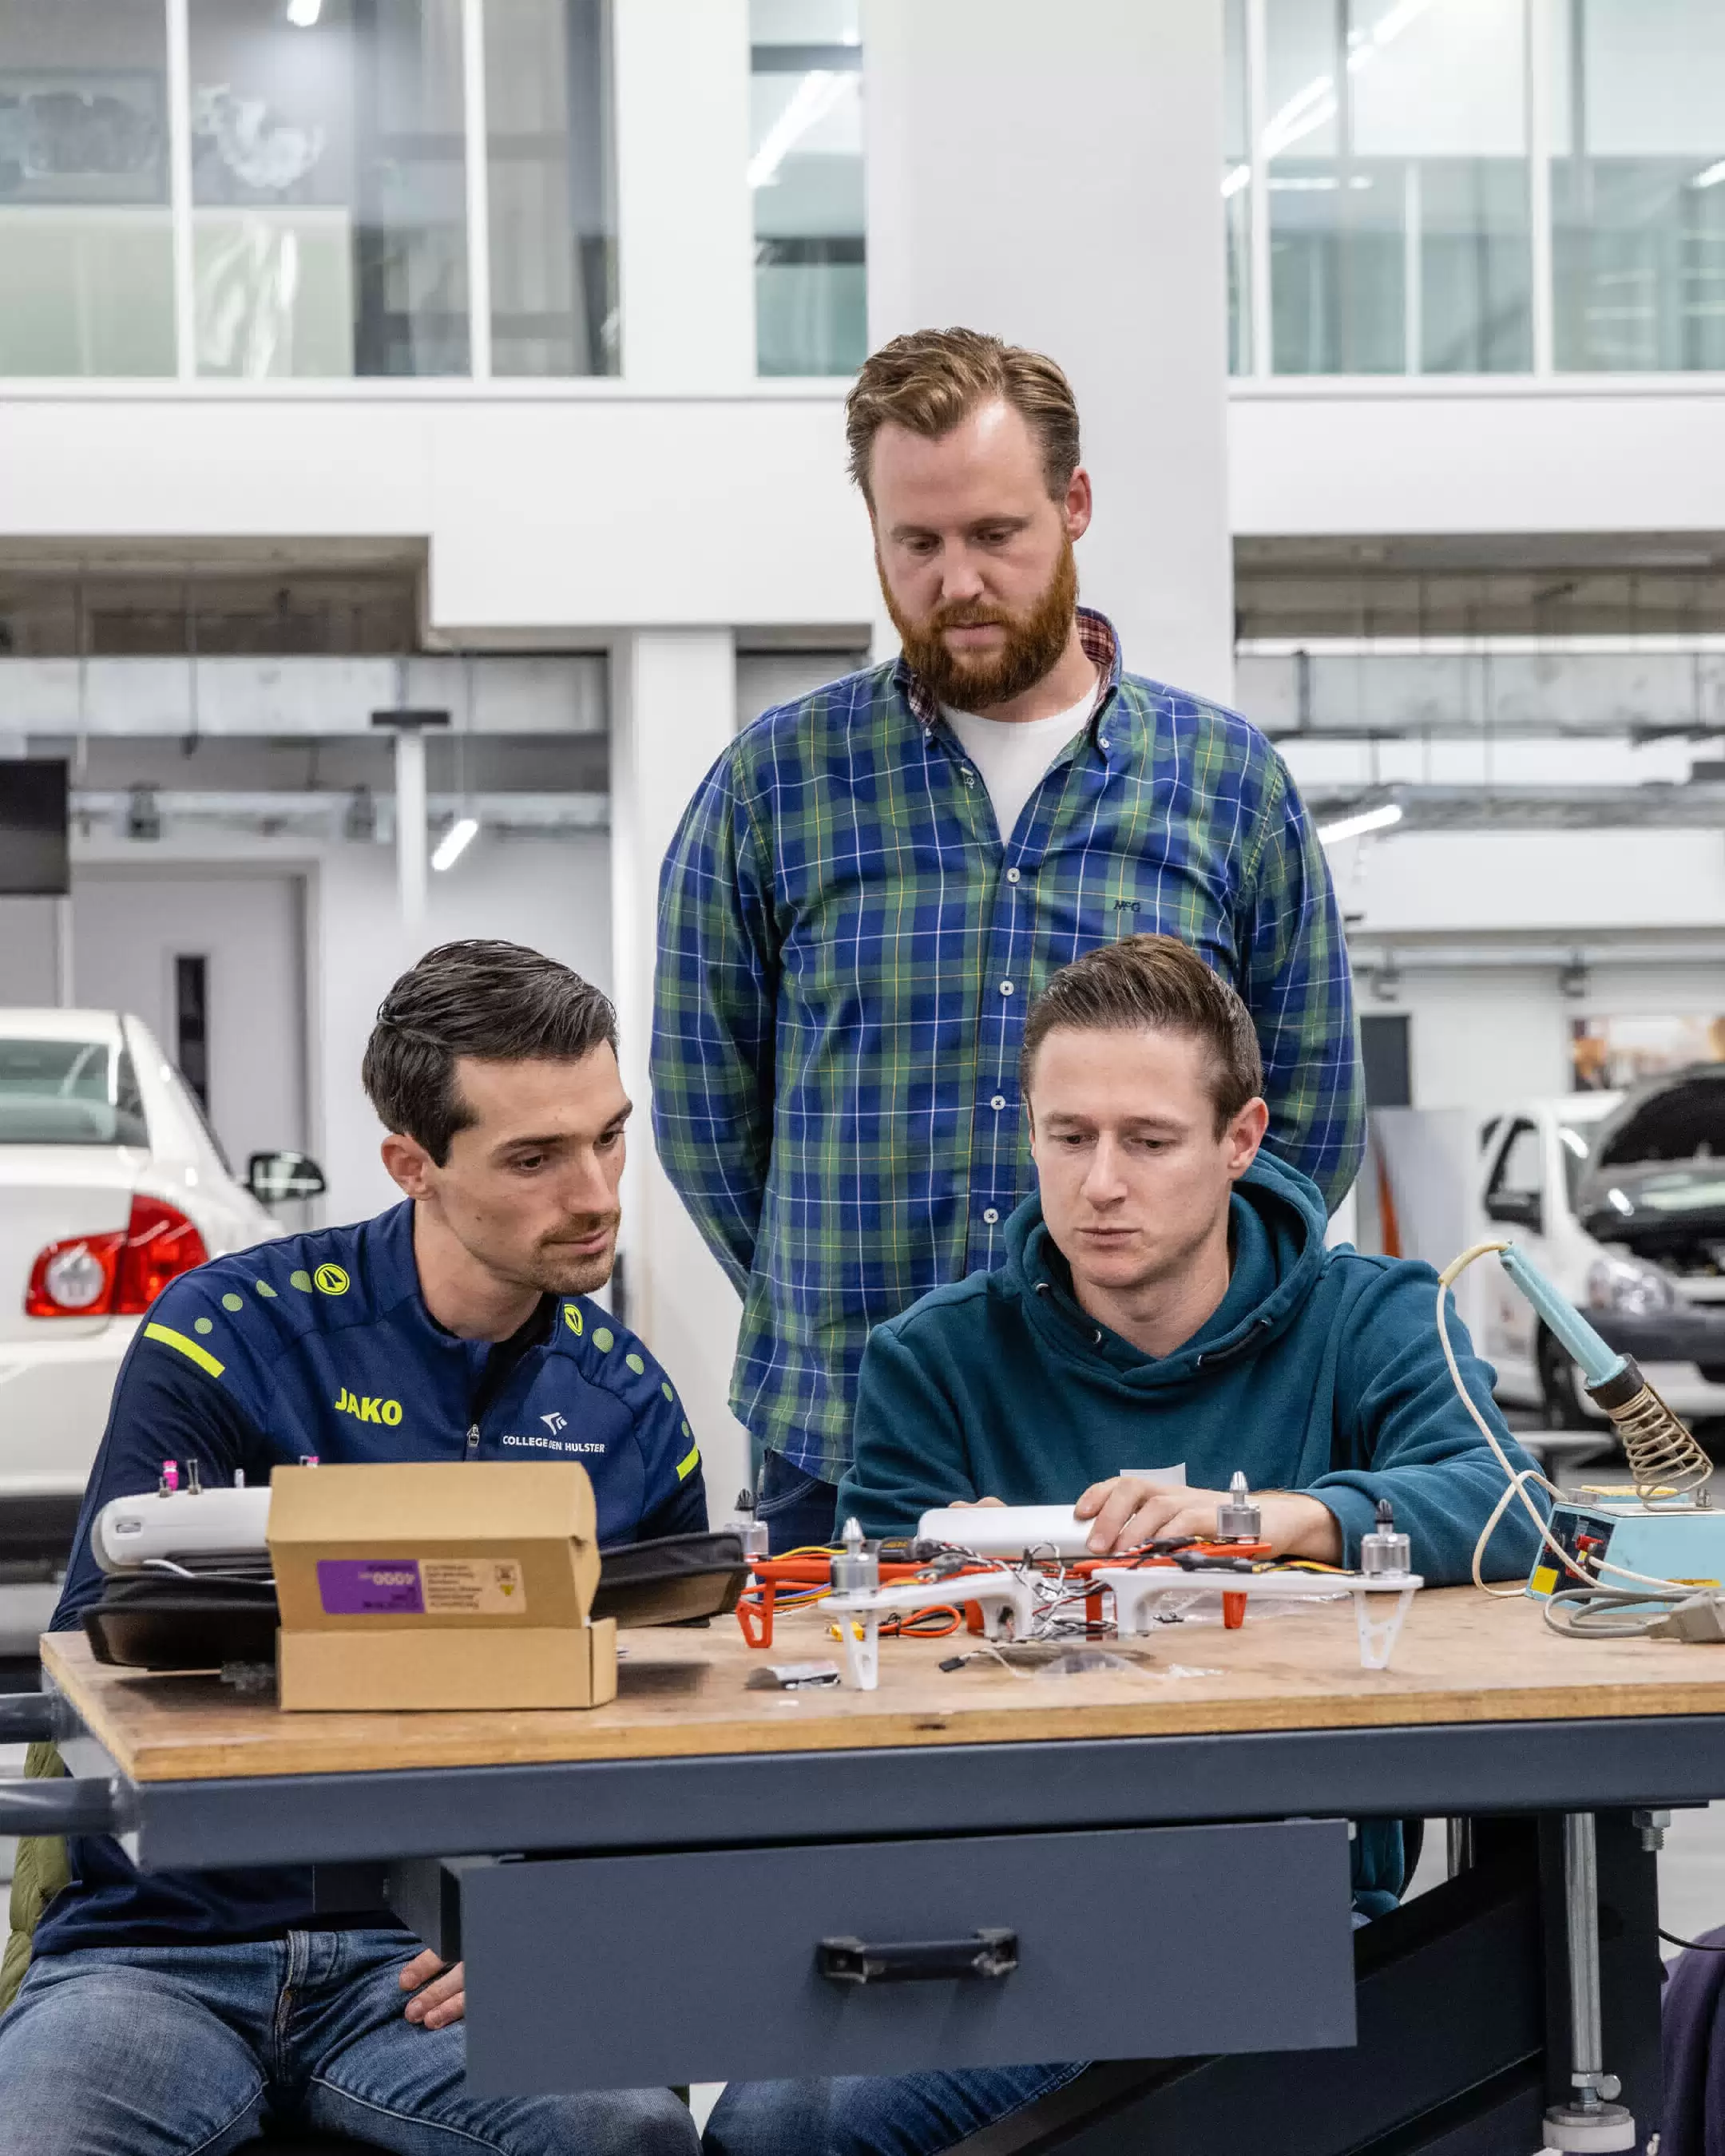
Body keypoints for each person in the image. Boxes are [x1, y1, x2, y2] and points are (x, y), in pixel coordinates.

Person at [704, 935, 1542, 2156]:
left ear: (1240, 1140)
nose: (1102, 1183)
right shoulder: (933, 1359)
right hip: (993, 1910)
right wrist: (956, 1584)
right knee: (763, 2132)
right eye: (1067, 1136)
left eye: (1148, 1142)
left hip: (1276, 1907)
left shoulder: (1377, 1319)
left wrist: (1254, 1523)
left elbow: (1512, 1506)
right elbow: (858, 1659)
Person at [654, 327, 1365, 1554]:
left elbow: (1305, 1116)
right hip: (840, 1432)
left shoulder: (1224, 784)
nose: (958, 582)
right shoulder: (777, 785)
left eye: (995, 536)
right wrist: (828, 1306)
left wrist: (1184, 1329)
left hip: (1158, 1445)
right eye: (915, 544)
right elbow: (706, 1115)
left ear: (1074, 507)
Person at [0, 941, 701, 2156]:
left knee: (628, 2132)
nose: (594, 1194)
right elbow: (102, 1676)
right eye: (533, 1159)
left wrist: (567, 1920)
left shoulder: (629, 1409)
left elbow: (677, 1741)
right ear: (412, 1165)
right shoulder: (225, 1339)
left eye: (608, 1137)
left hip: (432, 1963)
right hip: (164, 1950)